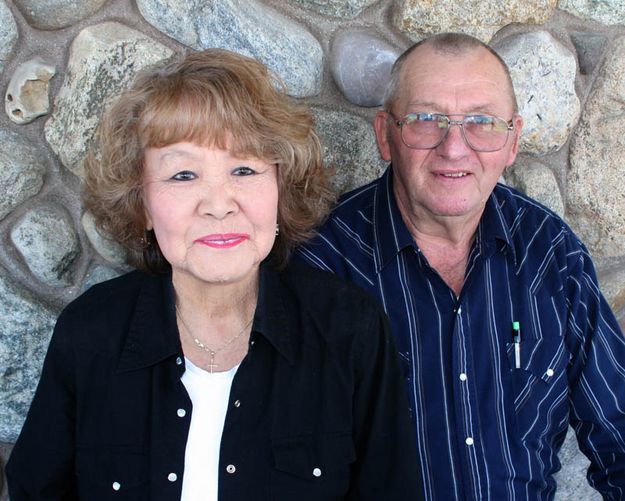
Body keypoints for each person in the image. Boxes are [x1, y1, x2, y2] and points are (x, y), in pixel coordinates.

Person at [6, 49, 422, 500]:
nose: (219, 203)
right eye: (183, 175)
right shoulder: (90, 335)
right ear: (141, 203)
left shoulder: (349, 330)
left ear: (280, 189)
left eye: (244, 169)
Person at [297, 32, 625, 500]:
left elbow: (618, 428)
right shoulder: (323, 265)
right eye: (426, 120)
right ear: (385, 135)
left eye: (481, 122)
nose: (454, 148)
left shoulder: (551, 253)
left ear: (512, 142)